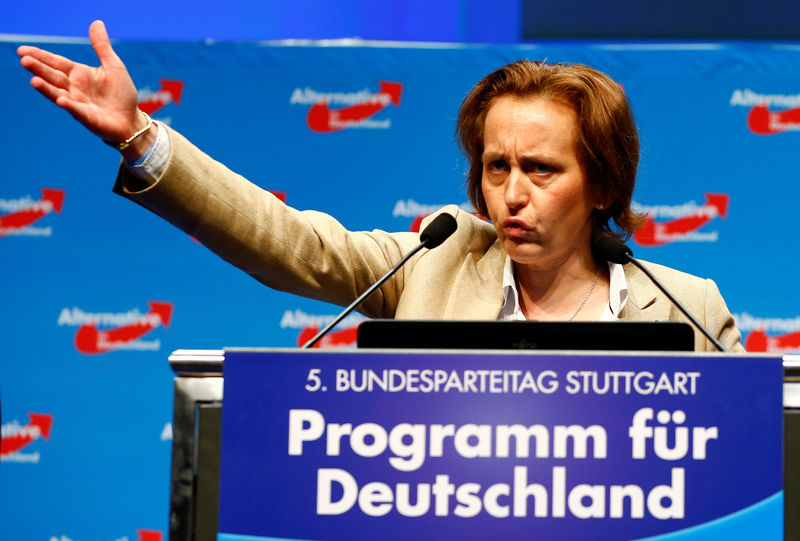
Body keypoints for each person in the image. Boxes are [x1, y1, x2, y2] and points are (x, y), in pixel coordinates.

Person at [18, 21, 744, 352]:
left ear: (604, 187)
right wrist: (141, 135)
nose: (511, 194)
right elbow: (287, 242)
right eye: (497, 167)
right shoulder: (439, 259)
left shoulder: (688, 308)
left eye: (541, 169)